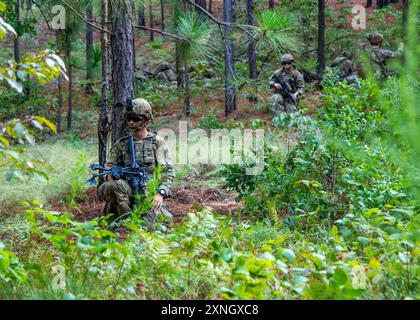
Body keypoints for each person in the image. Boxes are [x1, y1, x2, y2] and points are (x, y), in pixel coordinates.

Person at [98, 98, 175, 226]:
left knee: (150, 225)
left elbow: (168, 172)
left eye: (135, 119)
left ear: (146, 120)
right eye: (128, 119)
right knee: (111, 186)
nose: (131, 122)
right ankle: (126, 219)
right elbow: (107, 169)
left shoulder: (157, 143)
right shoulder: (121, 144)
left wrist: (160, 194)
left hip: (149, 193)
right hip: (125, 195)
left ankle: (138, 220)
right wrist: (111, 175)